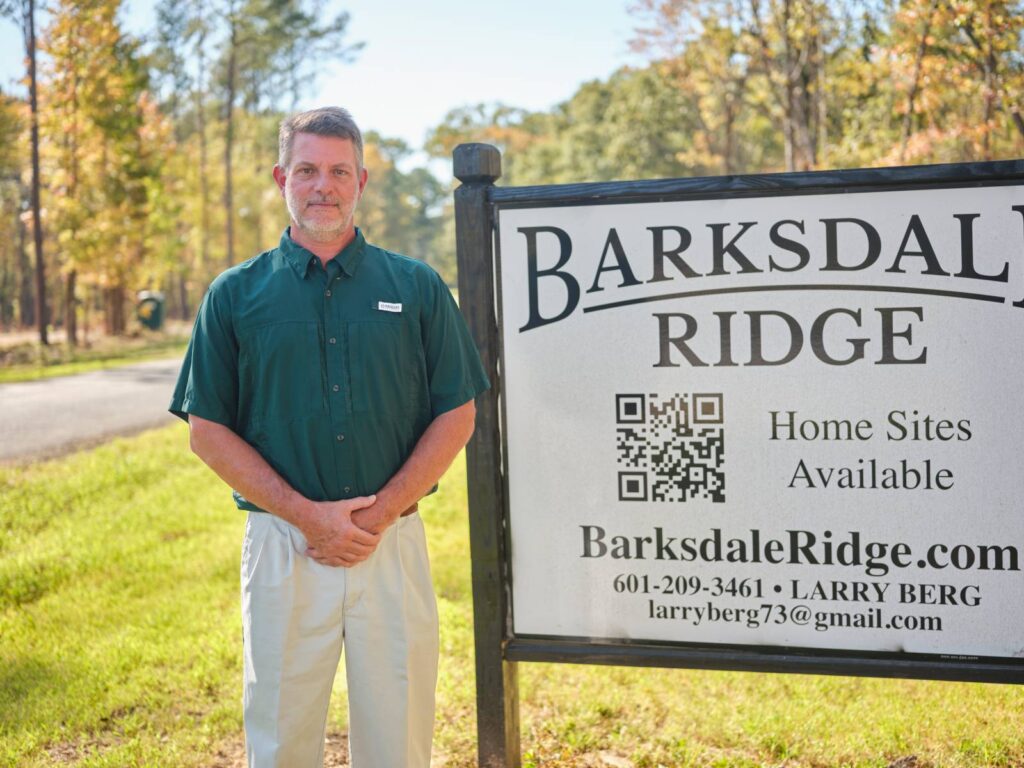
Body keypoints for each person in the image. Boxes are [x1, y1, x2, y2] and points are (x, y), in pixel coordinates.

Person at [169, 106, 489, 768]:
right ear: (281, 178)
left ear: (361, 181)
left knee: (399, 736)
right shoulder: (234, 295)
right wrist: (307, 517)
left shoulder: (417, 287)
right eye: (307, 170)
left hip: (389, 540)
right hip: (283, 544)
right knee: (280, 736)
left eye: (340, 171)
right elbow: (207, 431)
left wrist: (379, 513)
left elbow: (457, 413)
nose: (324, 186)